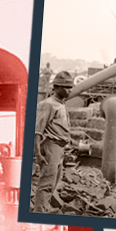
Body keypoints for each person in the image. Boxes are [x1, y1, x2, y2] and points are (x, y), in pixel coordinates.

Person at [33, 71, 73, 212]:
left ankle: (43, 209)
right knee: (46, 184)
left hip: (59, 148)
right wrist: (38, 154)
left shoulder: (60, 104)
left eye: (70, 87)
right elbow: (37, 131)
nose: (70, 90)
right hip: (51, 146)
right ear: (56, 87)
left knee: (54, 183)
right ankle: (38, 213)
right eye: (66, 87)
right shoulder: (49, 105)